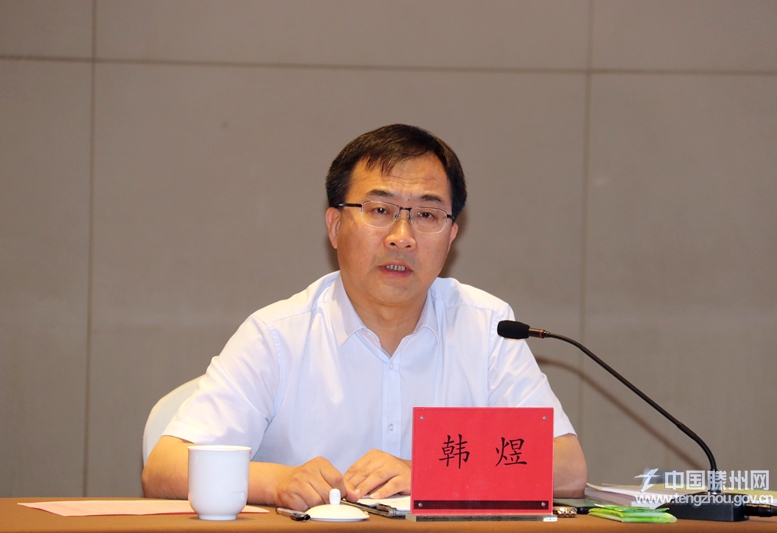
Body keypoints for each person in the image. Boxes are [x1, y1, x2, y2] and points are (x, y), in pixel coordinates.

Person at [142, 124, 587, 510]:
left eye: (427, 214)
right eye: (380, 211)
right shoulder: (277, 336)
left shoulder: (488, 328)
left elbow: (567, 468)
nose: (402, 237)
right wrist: (278, 481)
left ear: (451, 235)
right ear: (335, 227)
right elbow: (164, 468)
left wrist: (429, 471)